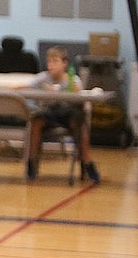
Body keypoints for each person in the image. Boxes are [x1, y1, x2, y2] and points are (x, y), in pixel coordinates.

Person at [15, 45, 100, 183]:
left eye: (55, 62)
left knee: (80, 124)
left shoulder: (72, 79)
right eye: (49, 62)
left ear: (64, 64)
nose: (51, 65)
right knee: (36, 121)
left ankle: (88, 162)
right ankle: (31, 162)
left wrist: (71, 89)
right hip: (49, 113)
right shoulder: (42, 78)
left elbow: (80, 97)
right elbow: (23, 86)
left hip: (68, 114)